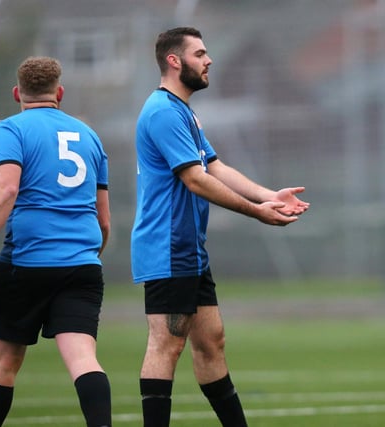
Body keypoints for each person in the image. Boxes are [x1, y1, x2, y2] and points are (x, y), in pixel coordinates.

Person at [131, 27, 309, 427]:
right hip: (167, 247)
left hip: (189, 249)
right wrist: (254, 211)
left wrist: (269, 197)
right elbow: (194, 179)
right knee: (166, 345)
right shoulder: (162, 111)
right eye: (200, 53)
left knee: (211, 343)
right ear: (174, 61)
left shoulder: (182, 111)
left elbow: (215, 166)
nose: (209, 59)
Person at [0, 56, 112, 427]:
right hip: (82, 265)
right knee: (83, 360)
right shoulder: (89, 135)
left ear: (16, 94)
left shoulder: (10, 129)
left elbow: (6, 189)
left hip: (27, 263)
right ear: (59, 92)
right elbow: (103, 219)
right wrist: (88, 254)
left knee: (4, 363)